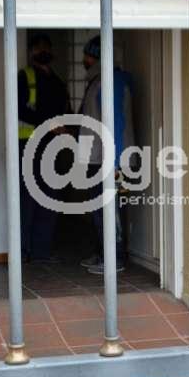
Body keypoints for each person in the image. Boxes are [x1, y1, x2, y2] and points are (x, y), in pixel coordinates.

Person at [78, 35, 134, 274]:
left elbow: (116, 123)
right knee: (98, 210)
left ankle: (115, 258)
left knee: (112, 210)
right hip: (96, 158)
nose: (85, 60)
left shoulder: (111, 81)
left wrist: (115, 162)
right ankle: (103, 253)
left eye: (89, 56)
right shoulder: (97, 81)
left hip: (111, 159)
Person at [17, 33, 71, 263]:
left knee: (50, 198)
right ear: (30, 52)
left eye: (46, 48)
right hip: (28, 145)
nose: (43, 51)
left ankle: (42, 251)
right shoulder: (24, 77)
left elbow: (66, 111)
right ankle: (23, 251)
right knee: (27, 199)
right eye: (38, 48)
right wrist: (50, 126)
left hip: (53, 147)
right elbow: (20, 110)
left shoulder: (58, 82)